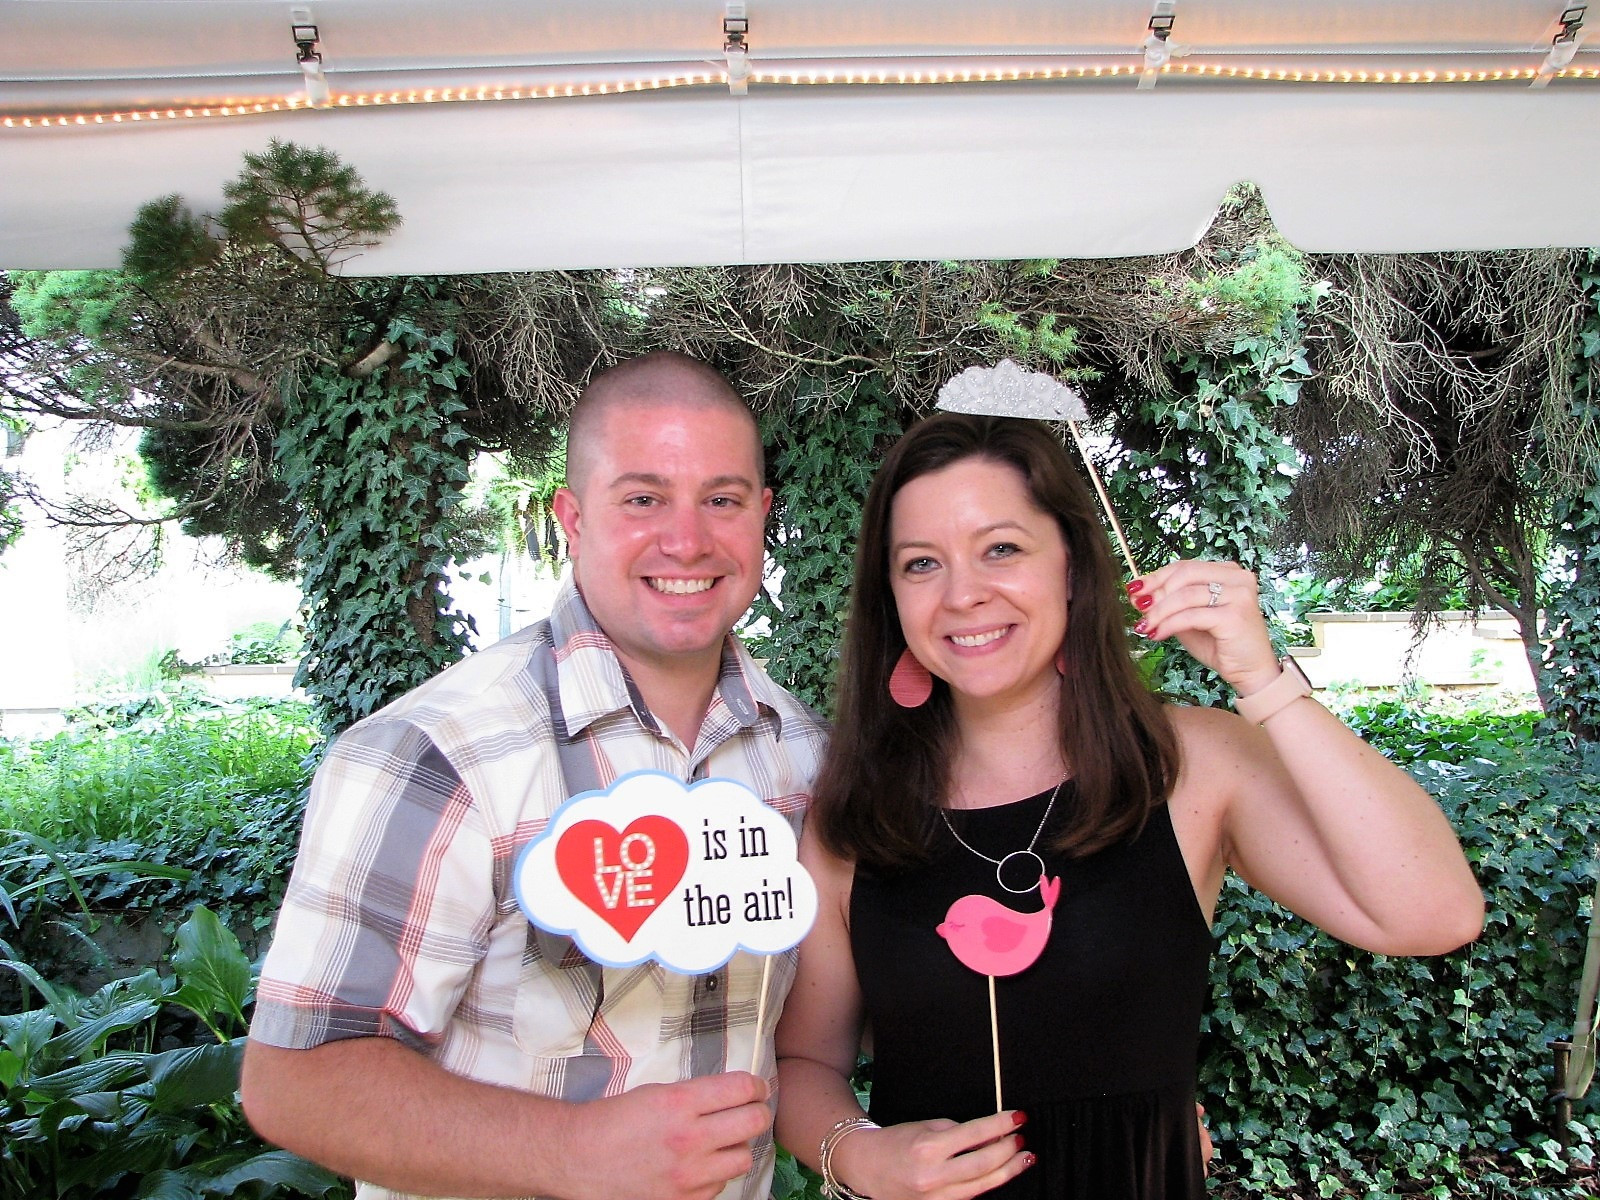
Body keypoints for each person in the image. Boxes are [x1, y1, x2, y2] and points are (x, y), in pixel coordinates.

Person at [773, 410, 1484, 1200]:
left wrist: (1264, 681)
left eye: (1001, 549)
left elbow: (1435, 913)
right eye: (920, 564)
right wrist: (859, 1155)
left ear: (1073, 567)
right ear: (892, 597)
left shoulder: (1191, 766)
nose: (964, 594)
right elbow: (805, 1065)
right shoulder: (854, 816)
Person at [240, 351, 828, 1200]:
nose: (688, 539)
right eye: (643, 498)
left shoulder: (801, 754)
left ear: (762, 516)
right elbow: (295, 1079)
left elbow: (820, 1038)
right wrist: (572, 1151)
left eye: (723, 500)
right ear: (573, 518)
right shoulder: (437, 754)